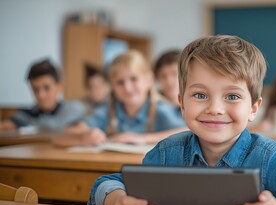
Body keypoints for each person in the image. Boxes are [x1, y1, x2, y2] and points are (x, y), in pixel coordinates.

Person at [87, 35, 276, 205]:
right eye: (200, 95)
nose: (215, 108)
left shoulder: (268, 157)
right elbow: (105, 185)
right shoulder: (166, 152)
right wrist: (119, 203)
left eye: (232, 96)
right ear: (182, 103)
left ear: (254, 108)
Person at [52, 50, 187, 147]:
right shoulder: (108, 111)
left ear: (149, 79)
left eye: (133, 79)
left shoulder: (160, 110)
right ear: (112, 86)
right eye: (120, 82)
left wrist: (141, 139)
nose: (127, 88)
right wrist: (83, 138)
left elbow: (188, 132)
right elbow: (60, 137)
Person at [0, 59, 85, 132]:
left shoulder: (73, 110)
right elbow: (7, 124)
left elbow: (58, 126)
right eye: (35, 90)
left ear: (60, 87)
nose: (41, 95)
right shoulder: (27, 114)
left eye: (46, 88)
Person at [153, 50, 183, 120]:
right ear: (157, 78)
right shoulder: (151, 106)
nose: (169, 81)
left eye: (174, 74)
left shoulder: (194, 103)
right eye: (163, 76)